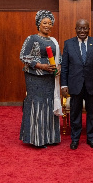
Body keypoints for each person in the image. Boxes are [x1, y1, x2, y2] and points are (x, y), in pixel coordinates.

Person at [61, 19, 93, 150]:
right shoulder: (68, 44)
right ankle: (75, 139)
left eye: (85, 28)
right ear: (75, 29)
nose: (82, 31)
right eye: (79, 28)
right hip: (75, 84)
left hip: (92, 84)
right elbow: (64, 66)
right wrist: (63, 84)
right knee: (75, 113)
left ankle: (91, 139)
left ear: (89, 29)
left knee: (92, 113)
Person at [19, 10, 62, 148]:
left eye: (50, 23)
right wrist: (41, 66)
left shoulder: (53, 41)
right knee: (37, 104)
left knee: (48, 104)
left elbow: (57, 58)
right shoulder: (32, 38)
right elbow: (23, 56)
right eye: (45, 23)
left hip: (49, 78)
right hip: (35, 78)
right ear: (39, 24)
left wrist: (59, 65)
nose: (48, 25)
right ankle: (36, 139)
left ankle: (50, 138)